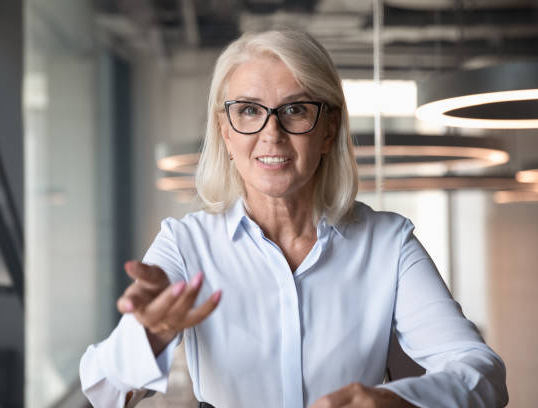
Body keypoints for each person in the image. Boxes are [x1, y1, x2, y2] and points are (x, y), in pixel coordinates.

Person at [79, 30, 508, 408]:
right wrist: (149, 334)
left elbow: (482, 373)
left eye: (295, 109)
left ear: (329, 129)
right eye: (248, 110)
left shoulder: (389, 242)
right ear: (225, 131)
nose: (271, 133)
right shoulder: (185, 244)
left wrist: (396, 400)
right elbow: (102, 390)